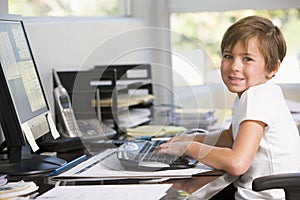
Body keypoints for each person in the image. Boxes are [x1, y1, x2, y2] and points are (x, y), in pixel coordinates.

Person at [157, 15, 300, 199]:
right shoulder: (257, 94)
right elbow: (231, 137)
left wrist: (188, 147)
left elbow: (237, 163)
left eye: (247, 59)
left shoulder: (257, 96)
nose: (234, 66)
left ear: (272, 68)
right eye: (228, 56)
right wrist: (190, 138)